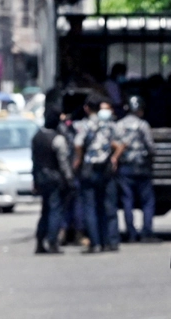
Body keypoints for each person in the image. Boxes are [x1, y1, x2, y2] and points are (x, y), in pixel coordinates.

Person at [73, 95, 124, 254]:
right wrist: (114, 157)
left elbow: (78, 143)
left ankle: (95, 243)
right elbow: (118, 143)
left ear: (87, 108)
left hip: (90, 168)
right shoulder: (108, 124)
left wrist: (79, 159)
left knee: (90, 207)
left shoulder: (85, 124)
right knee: (107, 205)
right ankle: (110, 241)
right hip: (106, 168)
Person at [32, 108, 75, 254]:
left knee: (45, 210)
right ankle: (52, 241)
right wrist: (69, 179)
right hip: (55, 179)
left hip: (41, 178)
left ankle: (39, 241)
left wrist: (35, 180)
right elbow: (63, 163)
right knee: (55, 210)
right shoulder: (58, 139)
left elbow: (34, 161)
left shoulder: (37, 137)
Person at [115, 96, 156, 243]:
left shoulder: (119, 125)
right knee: (147, 201)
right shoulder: (143, 125)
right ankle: (147, 232)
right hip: (142, 167)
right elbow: (150, 146)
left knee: (127, 201)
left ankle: (131, 233)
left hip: (125, 167)